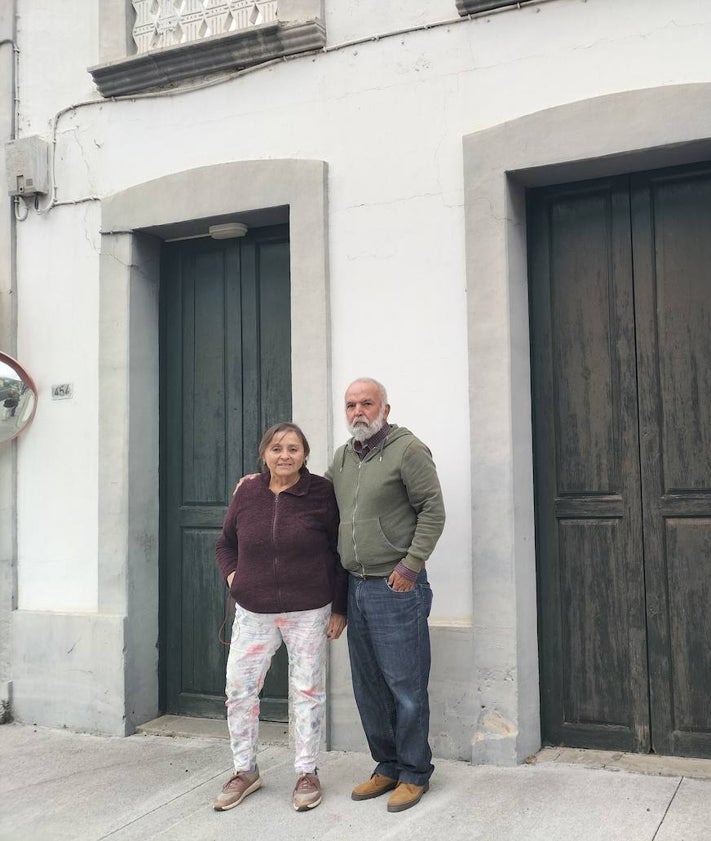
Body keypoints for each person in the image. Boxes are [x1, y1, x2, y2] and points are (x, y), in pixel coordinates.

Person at [214, 422, 348, 813]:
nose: (284, 455)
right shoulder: (248, 491)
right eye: (276, 448)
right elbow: (225, 543)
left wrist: (339, 606)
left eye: (293, 448)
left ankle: (307, 772)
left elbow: (339, 553)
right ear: (264, 454)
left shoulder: (322, 493)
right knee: (239, 691)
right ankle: (245, 769)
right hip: (254, 611)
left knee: (307, 692)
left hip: (309, 610)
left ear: (305, 454)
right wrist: (234, 577)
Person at [326, 378, 445, 813]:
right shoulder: (341, 458)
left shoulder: (408, 450)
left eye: (366, 403)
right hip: (355, 586)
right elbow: (318, 502)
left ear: (385, 409)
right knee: (369, 686)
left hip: (396, 588)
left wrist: (409, 567)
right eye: (351, 405)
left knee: (406, 686)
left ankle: (415, 772)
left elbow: (433, 509)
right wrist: (264, 481)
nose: (358, 411)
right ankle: (388, 764)